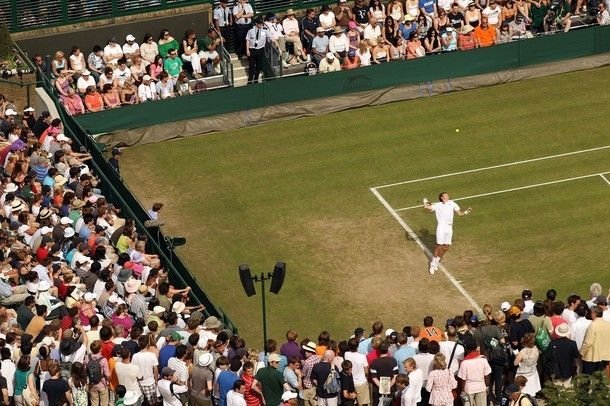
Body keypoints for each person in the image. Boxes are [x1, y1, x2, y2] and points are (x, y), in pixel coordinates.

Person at [424, 192, 472, 274]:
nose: (447, 196)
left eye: (447, 195)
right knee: (439, 245)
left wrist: (467, 211)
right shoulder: (438, 205)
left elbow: (460, 214)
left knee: (446, 247)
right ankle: (432, 264)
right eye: (445, 195)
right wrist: (425, 201)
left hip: (449, 227)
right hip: (441, 227)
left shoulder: (452, 203)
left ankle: (437, 261)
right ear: (442, 198)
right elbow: (426, 207)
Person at [246, 17, 269, 84]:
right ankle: (250, 80)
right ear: (256, 24)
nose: (261, 25)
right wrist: (247, 50)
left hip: (260, 50)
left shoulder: (264, 30)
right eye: (260, 23)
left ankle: (256, 79)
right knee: (251, 65)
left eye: (262, 23)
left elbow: (270, 37)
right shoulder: (250, 31)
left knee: (259, 65)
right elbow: (247, 40)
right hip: (252, 50)